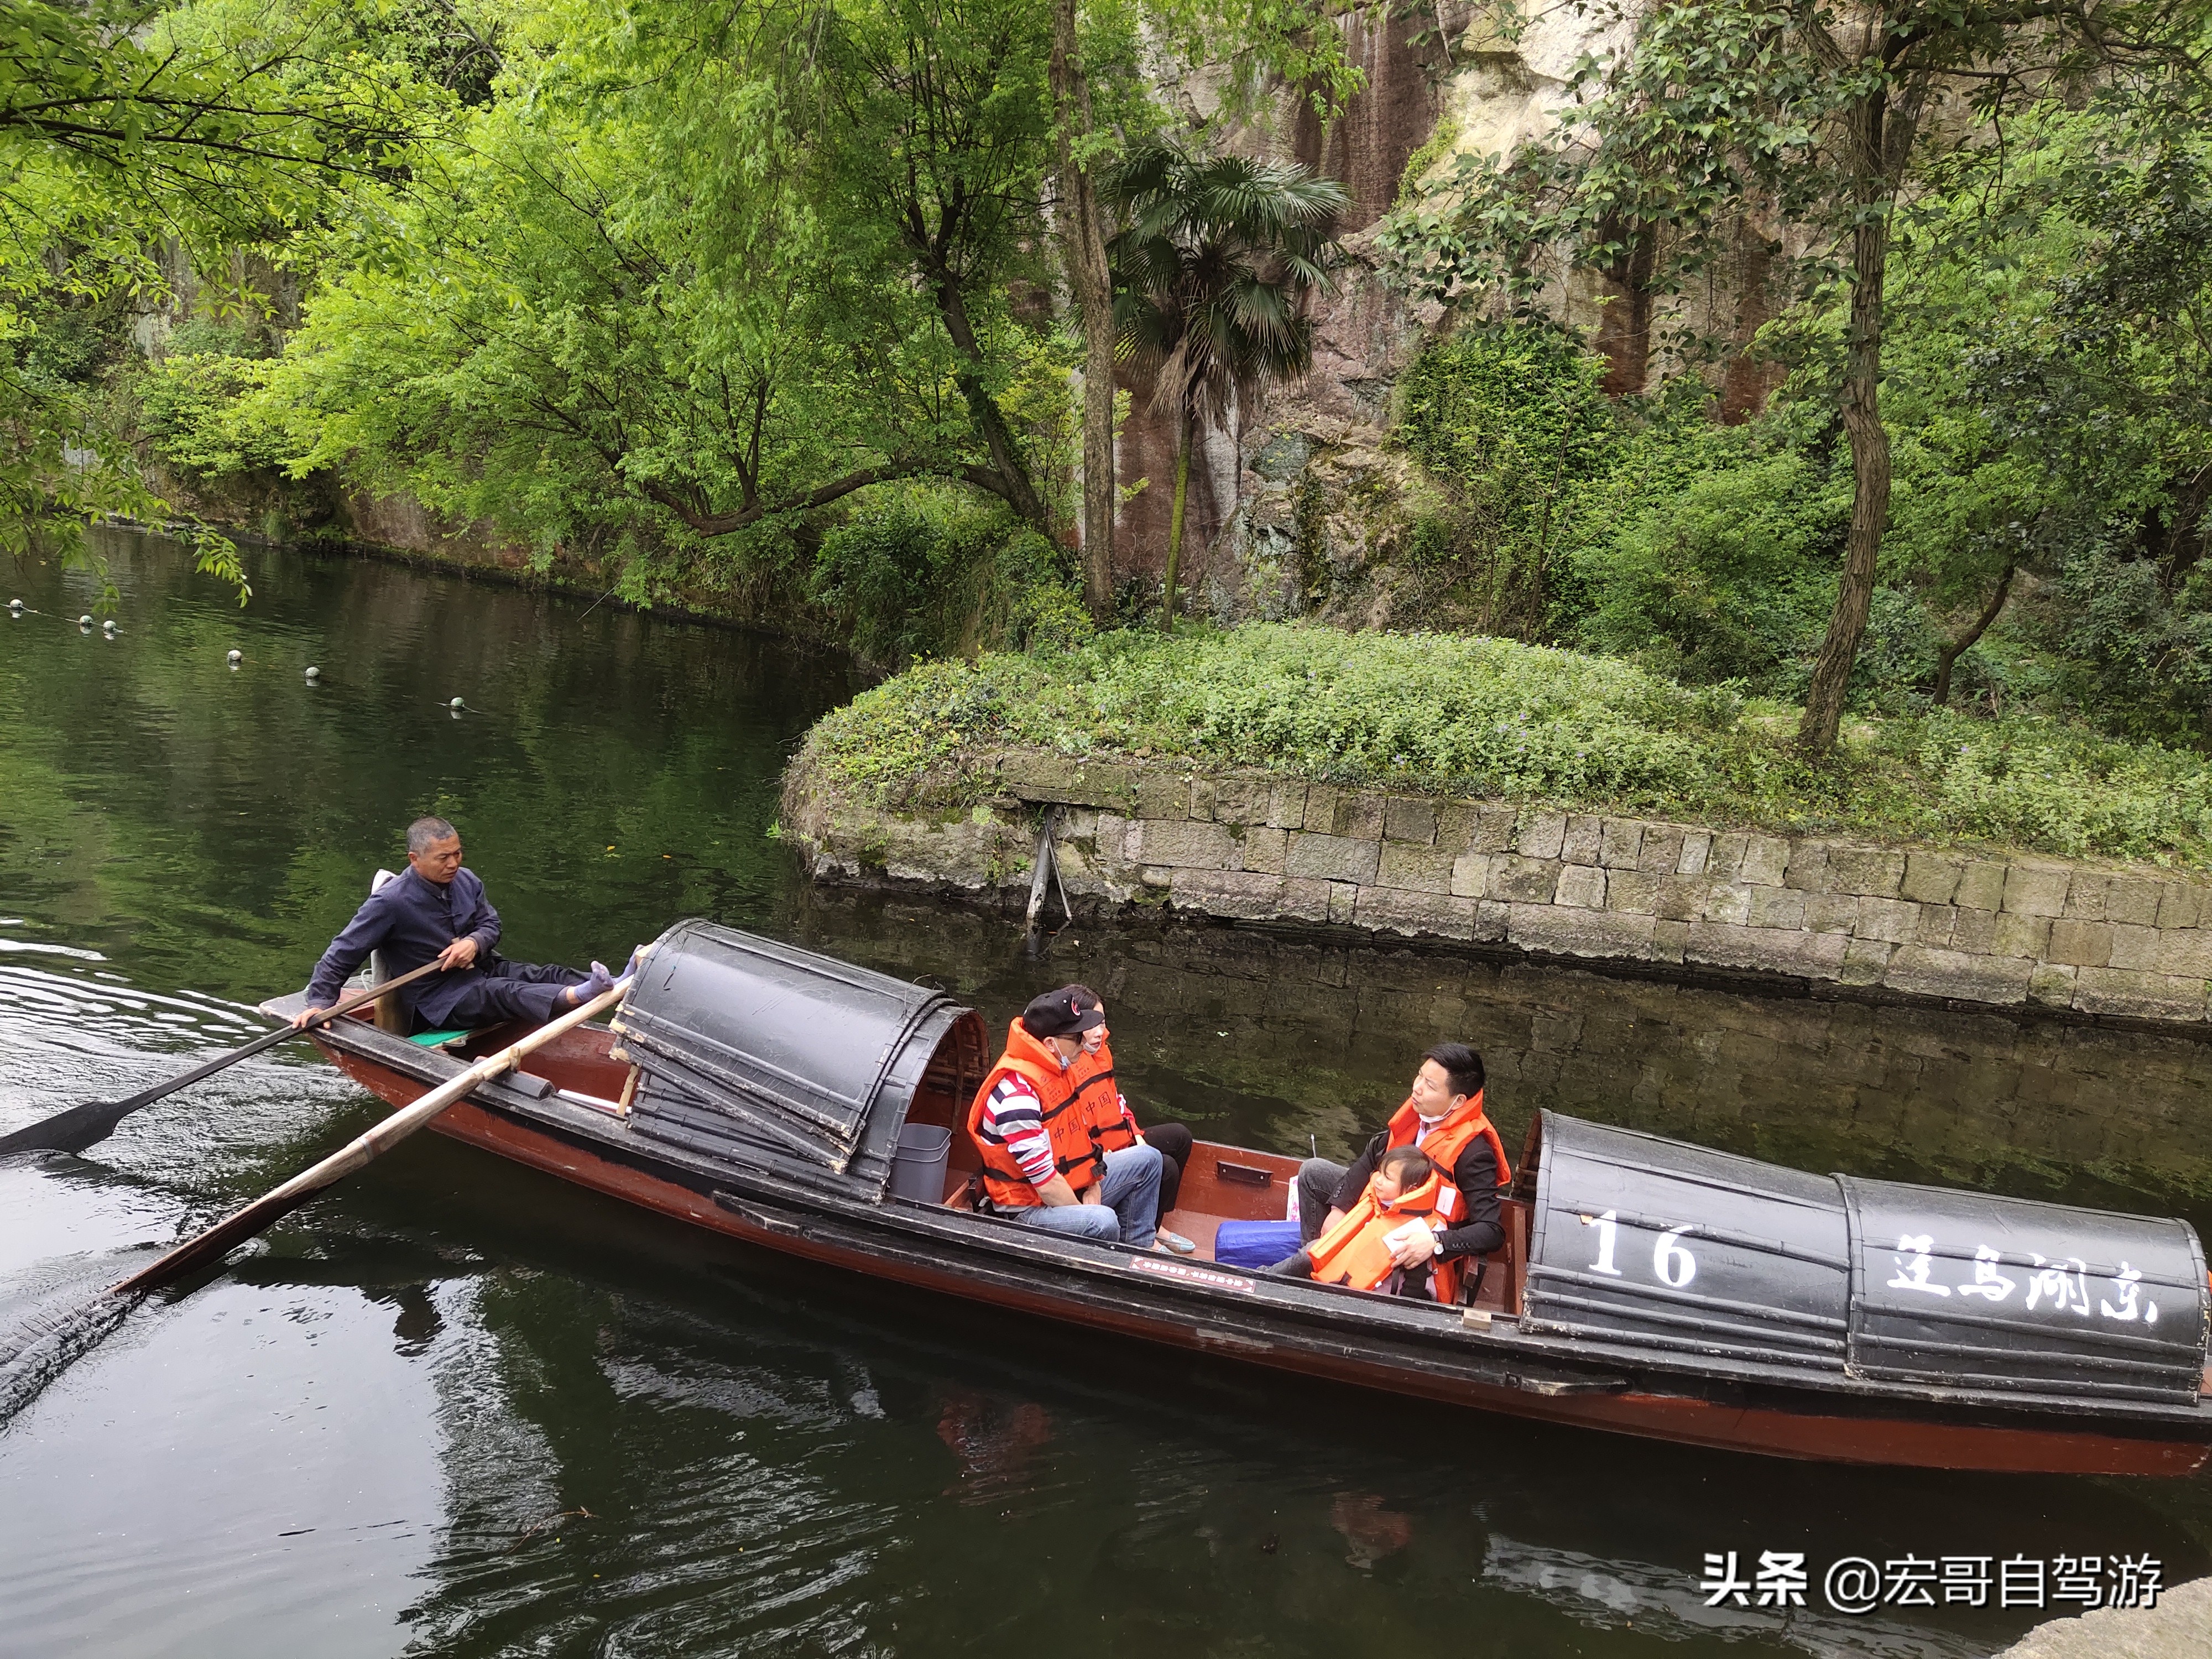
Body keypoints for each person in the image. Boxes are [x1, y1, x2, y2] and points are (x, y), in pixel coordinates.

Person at [294, 817, 619, 1034]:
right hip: (438, 999)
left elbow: (491, 924)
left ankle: (615, 982)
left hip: (482, 968)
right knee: (501, 992)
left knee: (540, 973)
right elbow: (343, 951)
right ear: (414, 859)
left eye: (458, 853)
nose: (453, 864)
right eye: (443, 858)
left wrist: (475, 942)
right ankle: (581, 994)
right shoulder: (390, 902)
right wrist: (320, 1002)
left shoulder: (466, 880)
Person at [1292, 1044, 1509, 1300]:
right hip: (1383, 1208)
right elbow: (1368, 1162)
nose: (1417, 1087)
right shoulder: (1418, 1117)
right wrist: (1339, 1209)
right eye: (1419, 1076)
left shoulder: (1474, 1153)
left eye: (1430, 1085)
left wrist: (1436, 1242)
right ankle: (1320, 1264)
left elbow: (1491, 1232)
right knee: (1313, 1172)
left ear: (1458, 1101)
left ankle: (1318, 1273)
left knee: (1312, 1249)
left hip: (1410, 1239)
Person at [967, 987, 1163, 1248]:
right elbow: (1046, 1185)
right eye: (1076, 1037)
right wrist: (1084, 1209)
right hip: (1027, 1209)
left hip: (1066, 1180)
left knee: (1149, 1159)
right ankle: (1109, 1270)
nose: (1086, 1042)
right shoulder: (1018, 1100)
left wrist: (1093, 1182)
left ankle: (1138, 1250)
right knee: (1102, 1221)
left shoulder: (1059, 1067)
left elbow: (1082, 1140)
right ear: (1050, 1043)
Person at [1066, 985, 1197, 1255]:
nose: (1100, 1032)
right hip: (1099, 1154)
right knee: (1165, 1166)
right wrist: (1110, 1157)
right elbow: (1074, 1131)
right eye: (1092, 1024)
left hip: (1120, 1141)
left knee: (1180, 1136)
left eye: (1102, 1023)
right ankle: (1143, 1234)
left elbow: (1116, 1102)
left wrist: (1136, 1137)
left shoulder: (1101, 1054)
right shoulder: (1068, 1064)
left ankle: (1154, 1225)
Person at [1265, 1147, 1464, 1301]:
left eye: (1388, 1178)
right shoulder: (1381, 1201)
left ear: (1410, 1190)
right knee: (1310, 1254)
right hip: (1351, 1271)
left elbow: (1416, 1284)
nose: (1377, 1180)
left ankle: (1261, 1279)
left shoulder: (1416, 1230)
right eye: (1379, 1172)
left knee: (1308, 1255)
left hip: (1375, 1295)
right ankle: (1268, 1277)